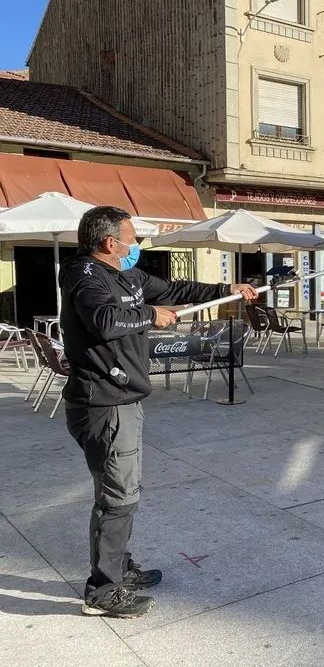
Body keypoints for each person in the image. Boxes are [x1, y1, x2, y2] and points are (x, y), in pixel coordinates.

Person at [58, 206, 259, 619]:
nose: (136, 246)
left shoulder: (127, 276)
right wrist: (151, 315)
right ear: (111, 243)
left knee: (121, 492)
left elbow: (176, 290)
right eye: (132, 238)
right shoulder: (83, 275)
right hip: (103, 403)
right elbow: (103, 320)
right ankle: (103, 591)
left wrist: (230, 287)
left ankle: (117, 567)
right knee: (118, 498)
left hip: (124, 399)